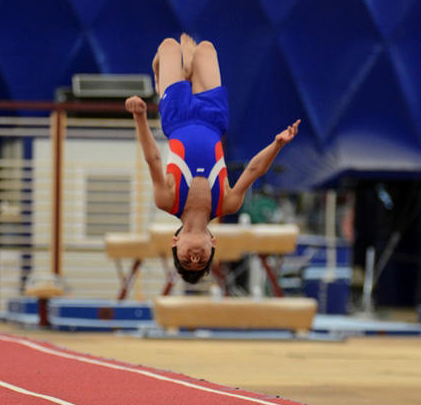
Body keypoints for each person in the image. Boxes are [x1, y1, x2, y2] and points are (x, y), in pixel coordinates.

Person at [125, 34, 300, 283]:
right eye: (202, 260)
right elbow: (253, 170)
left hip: (177, 117)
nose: (195, 257)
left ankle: (160, 77)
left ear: (175, 241)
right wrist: (277, 144)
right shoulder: (226, 203)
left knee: (169, 46)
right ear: (213, 242)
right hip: (213, 118)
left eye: (186, 259)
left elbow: (153, 158)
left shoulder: (167, 200)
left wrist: (140, 117)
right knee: (206, 48)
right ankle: (179, 73)